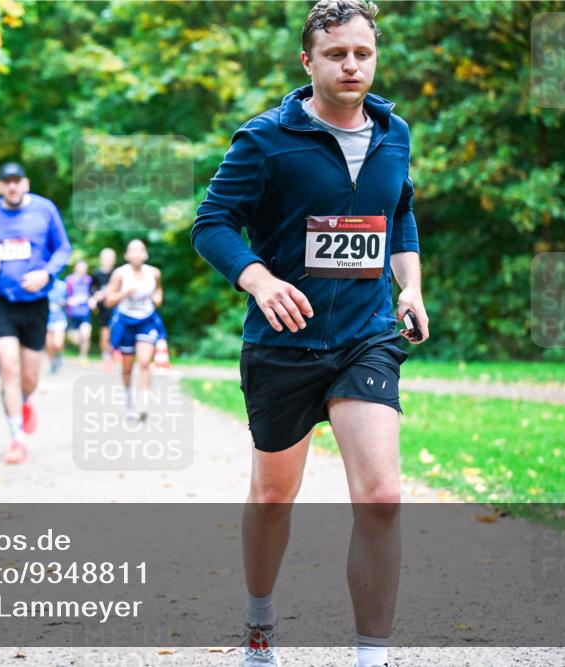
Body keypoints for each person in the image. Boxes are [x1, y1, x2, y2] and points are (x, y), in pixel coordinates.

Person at [191, 2, 428, 666]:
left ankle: (369, 656)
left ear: (374, 57)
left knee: (381, 496)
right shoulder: (265, 139)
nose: (351, 65)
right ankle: (260, 621)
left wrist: (409, 285)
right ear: (308, 61)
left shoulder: (393, 133)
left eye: (362, 53)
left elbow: (399, 211)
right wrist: (259, 280)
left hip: (366, 335)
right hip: (282, 342)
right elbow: (211, 224)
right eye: (335, 55)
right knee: (272, 496)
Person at [0, 162, 72, 464]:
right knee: (8, 366)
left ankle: (25, 401)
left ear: (25, 183)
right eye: (6, 182)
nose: (12, 186)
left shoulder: (45, 209)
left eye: (17, 181)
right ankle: (16, 438)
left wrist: (47, 274)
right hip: (0, 300)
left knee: (29, 377)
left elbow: (63, 249)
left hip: (36, 303)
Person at [104, 239, 166, 422]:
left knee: (145, 361)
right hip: (125, 321)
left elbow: (159, 292)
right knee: (127, 366)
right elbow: (108, 300)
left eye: (140, 250)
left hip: (146, 320)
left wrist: (157, 297)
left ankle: (144, 401)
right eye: (133, 250)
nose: (137, 253)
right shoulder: (120, 274)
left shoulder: (154, 273)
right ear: (127, 255)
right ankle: (130, 403)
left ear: (145, 254)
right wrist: (124, 293)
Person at [89, 248, 118, 371]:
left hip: (117, 308)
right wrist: (94, 299)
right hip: (103, 309)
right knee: (105, 333)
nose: (108, 261)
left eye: (110, 258)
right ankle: (106, 357)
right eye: (105, 258)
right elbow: (92, 290)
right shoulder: (96, 274)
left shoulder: (118, 273)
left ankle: (116, 353)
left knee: (116, 331)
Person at [65, 260, 93, 365]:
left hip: (85, 312)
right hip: (72, 313)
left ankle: (83, 356)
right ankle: (75, 342)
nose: (82, 271)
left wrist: (91, 300)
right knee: (75, 339)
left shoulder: (88, 280)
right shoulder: (69, 280)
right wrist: (69, 301)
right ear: (76, 268)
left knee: (86, 335)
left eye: (84, 269)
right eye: (80, 268)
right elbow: (64, 296)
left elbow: (92, 294)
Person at [45, 275, 68, 374]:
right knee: (49, 344)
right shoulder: (43, 285)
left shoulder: (63, 286)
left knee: (57, 343)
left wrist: (62, 303)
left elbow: (68, 300)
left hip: (59, 318)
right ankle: (52, 363)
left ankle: (59, 355)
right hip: (47, 318)